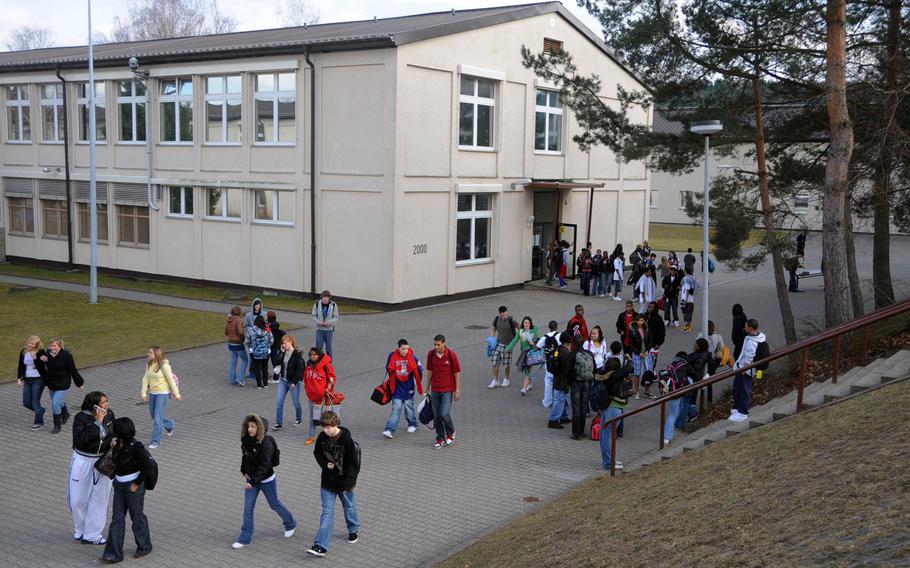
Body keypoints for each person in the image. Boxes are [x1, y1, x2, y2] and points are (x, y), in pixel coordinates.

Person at [232, 414, 297, 549]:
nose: (250, 429)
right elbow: (244, 458)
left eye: (253, 427)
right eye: (248, 426)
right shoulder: (246, 440)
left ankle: (290, 523)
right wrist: (244, 471)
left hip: (266, 480)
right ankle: (245, 538)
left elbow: (265, 465)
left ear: (260, 428)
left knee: (274, 504)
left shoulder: (266, 442)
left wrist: (252, 481)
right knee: (248, 509)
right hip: (252, 480)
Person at [306, 411, 361, 557]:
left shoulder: (347, 440)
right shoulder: (322, 437)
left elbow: (353, 464)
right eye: (323, 427)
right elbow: (317, 453)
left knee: (349, 508)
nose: (325, 430)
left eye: (328, 427)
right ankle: (321, 545)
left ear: (335, 424)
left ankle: (353, 529)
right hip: (328, 483)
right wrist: (325, 464)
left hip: (345, 484)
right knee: (327, 513)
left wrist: (349, 483)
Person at [100, 417, 154, 564]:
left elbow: (147, 466)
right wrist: (112, 447)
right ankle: (113, 553)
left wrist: (137, 483)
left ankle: (144, 546)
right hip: (119, 486)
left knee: (137, 517)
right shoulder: (117, 444)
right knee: (117, 519)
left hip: (133, 488)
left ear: (120, 432)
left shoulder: (136, 447)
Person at [70, 391, 115, 545]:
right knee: (77, 499)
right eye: (103, 402)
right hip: (83, 460)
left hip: (102, 460)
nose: (106, 405)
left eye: (107, 401)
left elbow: (112, 433)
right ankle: (81, 529)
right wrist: (97, 422)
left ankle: (93, 534)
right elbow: (80, 441)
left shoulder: (109, 415)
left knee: (100, 499)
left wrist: (113, 441)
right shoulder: (81, 418)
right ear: (94, 405)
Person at [424, 335, 461, 448]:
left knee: (443, 414)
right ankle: (440, 438)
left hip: (447, 390)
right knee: (436, 416)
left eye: (438, 345)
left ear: (444, 344)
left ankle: (451, 433)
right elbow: (430, 371)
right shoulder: (431, 354)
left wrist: (457, 389)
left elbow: (457, 372)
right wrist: (427, 387)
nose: (436, 347)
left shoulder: (451, 355)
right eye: (435, 344)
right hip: (435, 389)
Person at [140, 346, 181, 449]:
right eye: (148, 352)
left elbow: (171, 380)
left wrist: (176, 394)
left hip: (162, 394)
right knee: (154, 415)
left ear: (157, 354)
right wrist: (143, 392)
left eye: (150, 353)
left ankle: (155, 441)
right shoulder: (149, 364)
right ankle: (169, 425)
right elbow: (146, 378)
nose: (148, 354)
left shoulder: (164, 366)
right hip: (152, 393)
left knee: (157, 419)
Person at [382, 339, 423, 438]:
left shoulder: (413, 357)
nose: (405, 351)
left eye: (407, 349)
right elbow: (388, 368)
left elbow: (419, 370)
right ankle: (389, 429)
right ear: (398, 348)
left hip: (408, 387)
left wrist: (417, 383)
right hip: (396, 387)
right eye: (403, 349)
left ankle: (412, 423)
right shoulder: (392, 356)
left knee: (409, 408)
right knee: (396, 408)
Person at [593, 358, 629, 470]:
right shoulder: (614, 376)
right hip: (614, 407)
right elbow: (629, 368)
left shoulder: (602, 374)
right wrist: (629, 359)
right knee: (608, 436)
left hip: (605, 407)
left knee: (605, 435)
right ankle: (609, 463)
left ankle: (608, 460)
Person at [43, 336, 84, 434]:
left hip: (63, 382)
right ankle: (65, 413)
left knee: (55, 403)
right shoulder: (47, 353)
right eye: (51, 346)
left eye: (55, 346)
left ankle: (57, 425)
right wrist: (41, 358)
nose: (53, 348)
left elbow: (73, 370)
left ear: (60, 346)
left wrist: (79, 383)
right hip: (51, 382)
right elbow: (41, 363)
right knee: (57, 401)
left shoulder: (66, 356)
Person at [731, 319, 767, 422]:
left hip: (745, 370)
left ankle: (742, 412)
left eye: (746, 327)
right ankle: (738, 409)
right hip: (744, 369)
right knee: (738, 388)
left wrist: (744, 368)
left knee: (743, 390)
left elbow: (749, 356)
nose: (744, 328)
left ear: (750, 328)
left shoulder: (752, 342)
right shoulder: (759, 337)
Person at [303, 347, 337, 445]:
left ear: (319, 355)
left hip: (324, 396)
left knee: (326, 417)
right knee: (312, 416)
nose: (312, 356)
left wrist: (328, 389)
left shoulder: (326, 365)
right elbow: (306, 377)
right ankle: (312, 436)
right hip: (311, 395)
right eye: (311, 355)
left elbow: (332, 378)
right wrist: (307, 387)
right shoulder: (308, 364)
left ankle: (329, 435)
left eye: (314, 355)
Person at [272, 335, 305, 431]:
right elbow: (276, 362)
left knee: (296, 402)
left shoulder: (297, 354)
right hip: (283, 380)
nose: (283, 345)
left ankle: (298, 418)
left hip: (292, 382)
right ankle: (278, 423)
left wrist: (295, 381)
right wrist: (281, 353)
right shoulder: (283, 352)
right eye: (282, 343)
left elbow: (300, 369)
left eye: (285, 343)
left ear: (291, 342)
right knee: (279, 402)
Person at [663, 352, 694, 445]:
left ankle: (668, 436)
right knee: (673, 414)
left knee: (674, 412)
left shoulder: (672, 364)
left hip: (669, 390)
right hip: (677, 393)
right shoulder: (686, 366)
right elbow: (696, 375)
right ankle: (667, 437)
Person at [507, 317, 542, 395]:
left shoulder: (534, 330)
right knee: (526, 369)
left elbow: (538, 341)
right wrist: (508, 348)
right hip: (523, 353)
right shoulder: (520, 331)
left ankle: (524, 388)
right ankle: (529, 384)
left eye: (528, 323)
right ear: (523, 323)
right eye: (525, 323)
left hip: (532, 353)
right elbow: (515, 340)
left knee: (528, 371)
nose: (527, 324)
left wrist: (533, 343)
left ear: (531, 324)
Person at [17, 335, 47, 429]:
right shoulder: (23, 352)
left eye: (32, 344)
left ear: (37, 345)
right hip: (27, 380)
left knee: (35, 402)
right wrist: (19, 378)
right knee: (26, 402)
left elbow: (42, 367)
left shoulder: (41, 352)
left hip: (38, 380)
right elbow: (21, 365)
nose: (30, 345)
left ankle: (39, 423)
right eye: (29, 343)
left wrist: (35, 358)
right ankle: (41, 410)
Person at [547, 332, 574, 429]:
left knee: (563, 399)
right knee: (559, 399)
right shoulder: (566, 353)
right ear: (568, 342)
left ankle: (563, 416)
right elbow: (568, 369)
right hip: (562, 380)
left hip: (557, 378)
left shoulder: (557, 349)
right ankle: (553, 420)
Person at [571, 336, 595, 439]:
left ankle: (576, 432)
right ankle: (582, 431)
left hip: (576, 382)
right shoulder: (589, 353)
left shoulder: (573, 354)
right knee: (584, 406)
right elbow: (595, 368)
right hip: (587, 382)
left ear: (574, 343)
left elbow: (569, 370)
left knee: (576, 407)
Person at [489, 306, 519, 388]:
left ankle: (506, 379)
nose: (505, 316)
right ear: (500, 314)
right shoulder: (496, 319)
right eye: (503, 315)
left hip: (508, 346)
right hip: (497, 344)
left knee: (506, 364)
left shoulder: (511, 320)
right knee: (494, 362)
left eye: (506, 314)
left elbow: (519, 328)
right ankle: (496, 380)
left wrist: (515, 341)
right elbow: (493, 328)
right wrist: (492, 338)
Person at [643, 301, 666, 398]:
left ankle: (648, 384)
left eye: (651, 307)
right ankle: (648, 381)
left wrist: (658, 343)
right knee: (648, 365)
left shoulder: (658, 318)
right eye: (648, 307)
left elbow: (662, 332)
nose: (649, 308)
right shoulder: (644, 316)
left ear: (655, 308)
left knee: (651, 364)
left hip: (654, 346)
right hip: (645, 345)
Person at [537, 320, 561, 407]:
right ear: (556, 327)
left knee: (548, 381)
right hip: (558, 362)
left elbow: (537, 348)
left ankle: (547, 402)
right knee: (558, 381)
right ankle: (558, 401)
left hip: (548, 363)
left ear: (549, 327)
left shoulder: (544, 337)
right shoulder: (560, 335)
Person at [246, 316, 274, 389]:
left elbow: (247, 341)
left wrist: (251, 346)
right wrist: (267, 346)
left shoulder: (251, 330)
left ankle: (259, 385)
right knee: (265, 367)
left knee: (257, 368)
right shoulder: (267, 329)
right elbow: (271, 340)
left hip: (254, 351)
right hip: (265, 351)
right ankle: (265, 384)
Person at [629, 315, 652, 399]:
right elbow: (631, 344)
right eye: (638, 320)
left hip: (646, 353)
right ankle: (637, 391)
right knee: (636, 373)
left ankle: (647, 391)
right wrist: (639, 353)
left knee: (648, 372)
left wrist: (647, 350)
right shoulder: (633, 330)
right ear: (635, 321)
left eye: (641, 320)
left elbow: (650, 340)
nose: (640, 322)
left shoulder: (646, 329)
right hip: (637, 354)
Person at [225, 306, 249, 387]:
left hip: (231, 343)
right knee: (245, 360)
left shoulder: (229, 319)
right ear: (239, 312)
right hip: (238, 344)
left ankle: (232, 380)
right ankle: (240, 378)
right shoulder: (238, 320)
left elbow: (226, 332)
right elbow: (241, 332)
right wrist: (243, 339)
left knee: (233, 363)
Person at [312, 290, 339, 359]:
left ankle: (329, 363)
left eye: (326, 297)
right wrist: (319, 322)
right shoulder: (317, 304)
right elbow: (314, 316)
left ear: (329, 298)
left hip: (329, 330)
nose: (325, 299)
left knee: (328, 348)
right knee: (319, 347)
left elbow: (336, 317)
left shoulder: (333, 305)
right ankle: (319, 362)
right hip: (320, 329)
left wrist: (329, 322)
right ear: (321, 297)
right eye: (323, 297)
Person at [244, 298, 265, 381]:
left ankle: (262, 373)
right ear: (253, 306)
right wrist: (252, 329)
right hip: (252, 338)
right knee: (252, 356)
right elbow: (245, 326)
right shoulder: (249, 315)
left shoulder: (264, 314)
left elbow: (266, 325)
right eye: (256, 305)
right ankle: (252, 372)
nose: (257, 307)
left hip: (261, 338)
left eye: (259, 305)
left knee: (262, 356)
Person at [266, 311, 286, 382]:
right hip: (276, 346)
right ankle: (280, 375)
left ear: (269, 317)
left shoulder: (272, 326)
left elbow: (272, 338)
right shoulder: (273, 324)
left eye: (267, 316)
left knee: (275, 362)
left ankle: (276, 377)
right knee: (277, 361)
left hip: (274, 346)